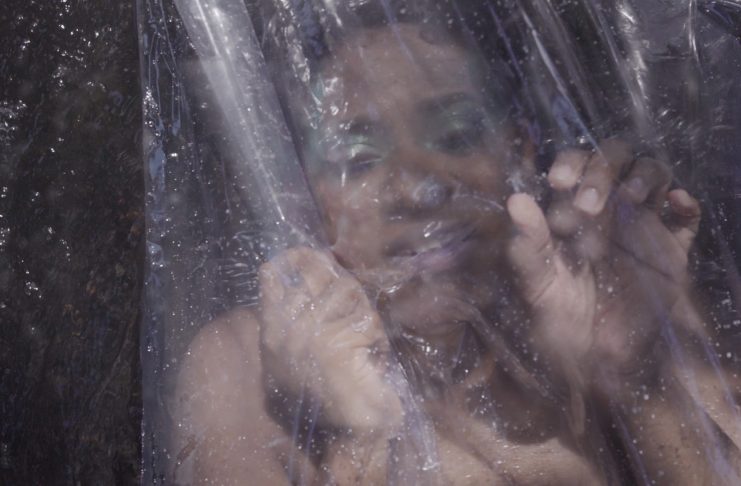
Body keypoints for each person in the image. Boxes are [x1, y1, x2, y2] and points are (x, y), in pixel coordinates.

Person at [172, 6, 741, 485]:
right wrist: (358, 439)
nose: (417, 187)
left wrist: (637, 375)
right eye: (359, 160)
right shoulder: (248, 364)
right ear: (304, 200)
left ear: (519, 155)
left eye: (456, 135)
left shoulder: (606, 292)